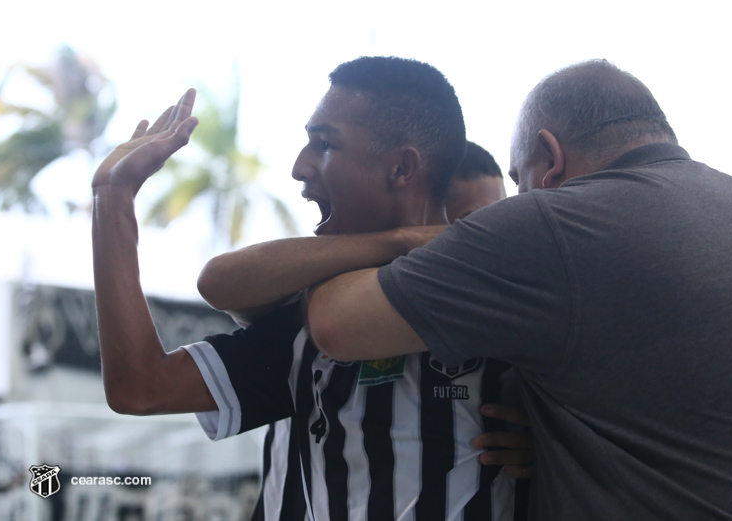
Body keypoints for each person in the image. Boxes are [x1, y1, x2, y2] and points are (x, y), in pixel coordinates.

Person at [304, 59, 732, 520]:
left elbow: (336, 322)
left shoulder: (553, 222)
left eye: (520, 179)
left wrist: (401, 241)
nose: (519, 197)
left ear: (551, 158)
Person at [92, 57, 529, 520]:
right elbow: (140, 387)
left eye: (324, 144)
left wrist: (555, 440)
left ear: (402, 168)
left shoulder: (514, 304)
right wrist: (112, 197)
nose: (300, 167)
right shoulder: (314, 313)